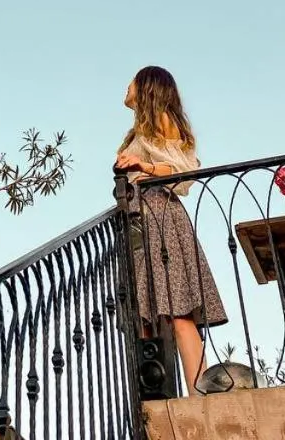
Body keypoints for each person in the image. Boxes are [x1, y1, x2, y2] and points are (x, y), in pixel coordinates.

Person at [114, 66, 227, 395]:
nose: (126, 86)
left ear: (147, 87)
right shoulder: (139, 131)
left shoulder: (162, 118)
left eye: (131, 79)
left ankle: (201, 392)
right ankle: (153, 398)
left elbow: (184, 170)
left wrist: (142, 166)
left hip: (160, 214)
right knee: (145, 312)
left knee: (177, 307)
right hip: (138, 217)